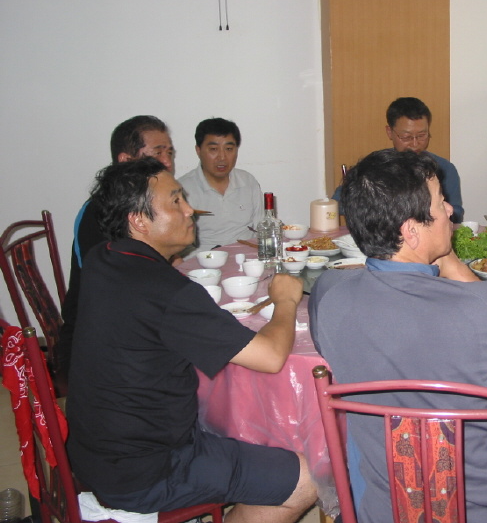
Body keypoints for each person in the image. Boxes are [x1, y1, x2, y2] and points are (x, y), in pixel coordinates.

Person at [66, 158, 316, 523]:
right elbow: (272, 356)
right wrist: (286, 300)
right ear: (138, 221)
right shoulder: (168, 292)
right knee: (306, 479)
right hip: (146, 470)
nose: (189, 211)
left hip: (93, 452)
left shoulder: (101, 258)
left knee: (235, 427)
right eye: (175, 201)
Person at [310, 149, 487, 522]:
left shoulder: (328, 292)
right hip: (485, 513)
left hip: (378, 513)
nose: (451, 211)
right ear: (411, 231)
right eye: (440, 202)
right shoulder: (482, 306)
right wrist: (452, 261)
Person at [59, 115, 176, 381]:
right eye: (158, 153)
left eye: (170, 153)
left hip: (128, 325)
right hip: (97, 347)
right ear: (126, 161)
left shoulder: (142, 207)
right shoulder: (102, 213)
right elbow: (120, 293)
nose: (168, 162)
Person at [333, 97, 464, 222]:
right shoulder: (375, 166)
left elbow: (456, 213)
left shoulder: (444, 168)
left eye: (421, 135)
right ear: (390, 132)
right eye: (406, 137)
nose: (415, 144)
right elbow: (338, 203)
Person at [179, 118, 263, 255]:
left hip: (247, 258)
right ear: (198, 150)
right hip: (204, 261)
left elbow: (262, 228)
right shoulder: (183, 189)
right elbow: (179, 245)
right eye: (213, 149)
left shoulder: (248, 181)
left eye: (229, 149)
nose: (222, 157)